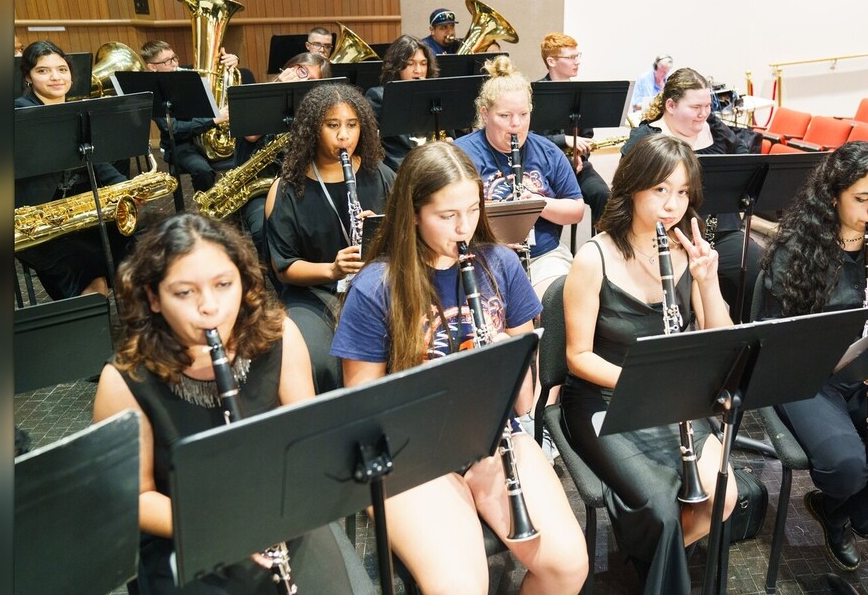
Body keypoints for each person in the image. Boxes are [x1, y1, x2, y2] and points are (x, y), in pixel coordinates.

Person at [331, 141, 588, 595]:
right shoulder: (376, 287)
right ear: (413, 214)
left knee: (567, 566)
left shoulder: (500, 265)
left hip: (493, 436)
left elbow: (525, 401)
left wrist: (507, 357)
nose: (464, 226)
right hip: (411, 452)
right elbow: (362, 412)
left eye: (472, 209)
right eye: (447, 215)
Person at [91, 214, 372, 595]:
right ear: (153, 298)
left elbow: (307, 444)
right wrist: (221, 525)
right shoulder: (125, 379)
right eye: (184, 293)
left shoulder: (279, 335)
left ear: (242, 281)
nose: (210, 306)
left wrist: (280, 507)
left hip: (277, 513)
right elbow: (134, 499)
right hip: (186, 531)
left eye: (223, 284)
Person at [561, 134, 737, 593]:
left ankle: (652, 566)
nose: (672, 205)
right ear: (633, 186)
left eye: (682, 192)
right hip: (604, 398)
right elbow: (577, 357)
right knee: (661, 508)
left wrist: (707, 280)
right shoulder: (593, 257)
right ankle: (658, 567)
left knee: (722, 496)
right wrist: (645, 383)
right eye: (660, 189)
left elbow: (720, 339)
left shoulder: (687, 249)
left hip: (673, 399)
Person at [752, 140, 868, 572]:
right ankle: (849, 499)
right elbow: (772, 336)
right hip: (807, 378)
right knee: (847, 467)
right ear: (833, 195)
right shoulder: (796, 248)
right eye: (863, 198)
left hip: (867, 371)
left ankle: (839, 513)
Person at [265, 83, 393, 394]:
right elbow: (284, 268)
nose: (344, 136)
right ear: (313, 129)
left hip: (378, 286)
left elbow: (407, 238)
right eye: (332, 125)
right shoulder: (288, 189)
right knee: (317, 357)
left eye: (352, 125)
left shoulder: (382, 175)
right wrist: (332, 270)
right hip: (314, 293)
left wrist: (380, 231)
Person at [624, 67, 764, 322]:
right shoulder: (646, 138)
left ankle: (747, 334)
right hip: (668, 236)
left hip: (721, 233)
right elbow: (627, 189)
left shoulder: (715, 128)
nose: (704, 113)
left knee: (759, 272)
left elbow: (742, 154)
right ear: (670, 105)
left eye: (708, 106)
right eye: (695, 107)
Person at [454, 56, 584, 299]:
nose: (516, 124)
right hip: (481, 254)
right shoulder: (460, 154)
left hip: (542, 256)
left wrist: (538, 203)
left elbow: (576, 210)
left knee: (559, 300)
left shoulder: (547, 151)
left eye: (523, 114)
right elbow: (446, 215)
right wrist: (488, 241)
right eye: (505, 116)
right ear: (485, 114)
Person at [14, 41, 131, 299]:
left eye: (62, 69)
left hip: (83, 214)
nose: (55, 77)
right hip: (37, 223)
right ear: (28, 77)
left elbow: (96, 161)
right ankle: (90, 316)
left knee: (140, 245)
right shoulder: (19, 115)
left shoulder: (78, 111)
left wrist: (126, 187)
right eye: (43, 71)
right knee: (89, 272)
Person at [233, 51, 331, 268]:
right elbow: (251, 134)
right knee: (262, 229)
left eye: (310, 80)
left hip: (298, 185)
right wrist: (278, 87)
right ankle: (276, 274)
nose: (301, 80)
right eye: (300, 70)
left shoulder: (316, 113)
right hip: (257, 188)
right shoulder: (261, 96)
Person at [140, 39, 242, 191]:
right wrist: (213, 120)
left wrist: (234, 59)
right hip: (181, 145)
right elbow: (173, 128)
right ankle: (205, 203)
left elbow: (219, 67)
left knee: (252, 152)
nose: (175, 64)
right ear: (152, 67)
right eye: (167, 61)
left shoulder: (188, 76)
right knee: (202, 171)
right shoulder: (151, 93)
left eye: (174, 57)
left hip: (211, 136)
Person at [536, 32, 610, 232]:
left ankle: (602, 246)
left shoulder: (580, 93)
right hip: (546, 170)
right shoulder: (536, 94)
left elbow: (587, 135)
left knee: (604, 196)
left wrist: (580, 155)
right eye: (570, 57)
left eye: (577, 56)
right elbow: (534, 139)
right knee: (551, 210)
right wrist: (564, 140)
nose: (577, 62)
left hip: (577, 165)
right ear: (551, 61)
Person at [365, 34, 439, 171]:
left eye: (423, 64)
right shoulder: (379, 97)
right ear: (397, 66)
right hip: (397, 170)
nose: (418, 70)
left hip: (432, 165)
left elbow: (447, 135)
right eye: (410, 64)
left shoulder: (433, 96)